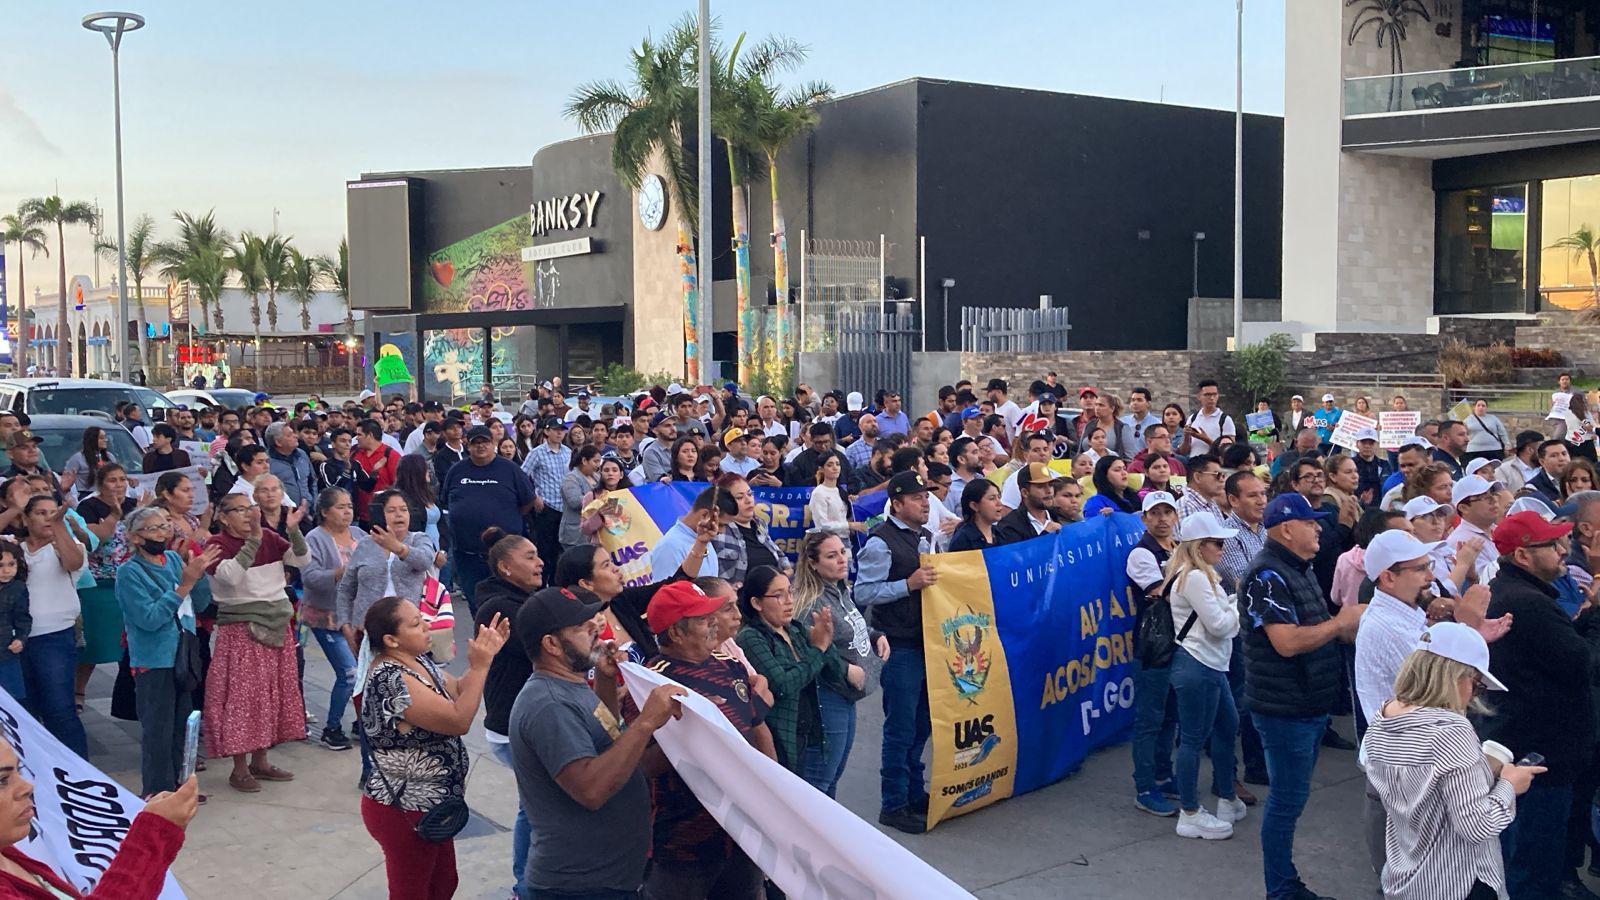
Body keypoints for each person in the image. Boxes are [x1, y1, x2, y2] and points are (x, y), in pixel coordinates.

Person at [508, 584, 687, 900]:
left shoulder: (570, 685)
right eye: (581, 626)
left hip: (606, 879)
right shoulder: (549, 704)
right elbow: (591, 789)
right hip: (579, 887)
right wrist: (646, 722)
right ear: (551, 644)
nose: (596, 627)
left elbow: (605, 741)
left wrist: (604, 681)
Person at [1240, 493, 1365, 900]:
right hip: (1285, 708)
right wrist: (1340, 624)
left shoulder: (1298, 568)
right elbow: (1288, 642)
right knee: (1286, 801)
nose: (1318, 529)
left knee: (1291, 798)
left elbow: (1315, 624)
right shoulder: (1266, 575)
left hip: (1306, 703)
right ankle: (1281, 889)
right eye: (1310, 522)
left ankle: (1285, 885)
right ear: (1287, 529)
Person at [1366, 622, 1539, 900]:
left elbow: (1419, 791)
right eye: (1477, 685)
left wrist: (1476, 770)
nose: (1473, 695)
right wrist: (1509, 785)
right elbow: (1477, 826)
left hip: (1405, 877)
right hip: (1456, 881)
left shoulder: (1382, 719)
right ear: (1454, 675)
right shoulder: (1452, 731)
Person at [1480, 510, 1600, 899]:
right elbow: (1582, 663)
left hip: (1531, 747)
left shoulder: (1515, 592)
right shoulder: (1528, 602)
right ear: (1522, 555)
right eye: (1552, 544)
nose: (1564, 549)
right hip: (1542, 754)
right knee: (1533, 867)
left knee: (1530, 858)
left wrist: (1586, 618)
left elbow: (1557, 647)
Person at [360, 596, 507, 900]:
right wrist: (480, 667)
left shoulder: (418, 661)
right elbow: (457, 720)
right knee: (412, 892)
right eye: (416, 624)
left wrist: (486, 658)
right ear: (391, 640)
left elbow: (459, 690)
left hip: (434, 803)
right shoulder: (391, 678)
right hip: (405, 806)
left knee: (443, 883)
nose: (427, 625)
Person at [0, 735, 199, 899]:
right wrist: (154, 833)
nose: (27, 786)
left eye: (19, 770)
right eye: (2, 780)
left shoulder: (8, 854)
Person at [204, 491, 309, 793]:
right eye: (240, 510)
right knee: (242, 700)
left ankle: (260, 761)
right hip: (242, 629)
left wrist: (293, 530)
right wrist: (252, 541)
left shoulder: (269, 536)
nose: (249, 514)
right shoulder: (217, 544)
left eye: (251, 508)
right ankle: (239, 768)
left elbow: (301, 560)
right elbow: (230, 577)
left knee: (271, 695)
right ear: (224, 518)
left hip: (276, 625)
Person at [856, 471, 940, 834]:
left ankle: (913, 791)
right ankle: (893, 803)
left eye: (927, 497)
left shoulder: (925, 537)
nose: (926, 503)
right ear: (897, 503)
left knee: (921, 724)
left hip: (926, 642)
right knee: (901, 727)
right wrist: (908, 584)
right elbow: (863, 592)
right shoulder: (881, 542)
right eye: (918, 497)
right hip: (899, 644)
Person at [114, 507, 219, 797]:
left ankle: (180, 786)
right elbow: (149, 619)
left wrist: (197, 577)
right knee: (158, 730)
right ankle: (157, 791)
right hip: (154, 660)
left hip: (183, 654)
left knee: (182, 727)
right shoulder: (129, 572)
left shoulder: (172, 559)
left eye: (164, 526)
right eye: (153, 528)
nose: (161, 533)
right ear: (135, 537)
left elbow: (200, 604)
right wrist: (184, 585)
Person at [1164, 511, 1247, 840]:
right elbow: (1220, 626)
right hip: (1198, 664)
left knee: (1226, 725)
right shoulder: (1196, 577)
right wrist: (1237, 606)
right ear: (1199, 546)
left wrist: (1229, 605)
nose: (1222, 548)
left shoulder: (1201, 575)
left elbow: (1218, 619)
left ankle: (1226, 797)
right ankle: (1190, 812)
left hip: (1209, 664)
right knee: (1194, 738)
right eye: (1217, 543)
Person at [470, 528, 543, 899]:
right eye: (529, 556)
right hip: (514, 728)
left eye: (538, 555)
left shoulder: (522, 599)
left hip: (524, 724)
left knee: (535, 806)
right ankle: (525, 887)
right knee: (537, 808)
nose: (540, 562)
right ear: (505, 567)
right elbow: (548, 648)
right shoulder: (501, 608)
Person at [789, 531, 886, 798]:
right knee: (819, 780)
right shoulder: (812, 603)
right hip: (827, 694)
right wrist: (844, 669)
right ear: (813, 563)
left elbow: (850, 624)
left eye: (843, 552)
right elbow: (812, 647)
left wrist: (875, 635)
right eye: (831, 556)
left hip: (846, 695)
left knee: (833, 775)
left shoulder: (840, 590)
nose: (842, 559)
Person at [735, 564, 850, 777]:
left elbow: (834, 672)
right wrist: (818, 649)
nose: (789, 601)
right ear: (757, 603)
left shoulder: (794, 629)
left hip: (810, 732)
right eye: (779, 595)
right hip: (782, 737)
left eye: (790, 592)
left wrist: (827, 638)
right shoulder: (751, 637)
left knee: (828, 783)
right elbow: (783, 685)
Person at [17, 495, 87, 758]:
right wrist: (13, 507)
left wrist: (59, 526)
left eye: (53, 512)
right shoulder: (13, 548)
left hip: (54, 638)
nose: (49, 517)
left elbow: (73, 562)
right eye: (41, 513)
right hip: (16, 640)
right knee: (24, 709)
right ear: (25, 519)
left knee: (59, 709)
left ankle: (78, 770)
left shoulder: (67, 545)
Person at [1126, 491, 1182, 815]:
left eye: (1167, 512)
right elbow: (1162, 592)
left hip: (1178, 642)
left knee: (1170, 715)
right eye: (1155, 513)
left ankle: (1163, 774)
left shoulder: (1178, 548)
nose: (1162, 519)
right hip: (1153, 645)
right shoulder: (1141, 554)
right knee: (1150, 719)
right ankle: (1144, 787)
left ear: (1176, 516)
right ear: (1144, 518)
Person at [300, 488, 364, 753]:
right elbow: (310, 577)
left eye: (349, 506)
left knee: (364, 674)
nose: (347, 512)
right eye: (340, 507)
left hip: (357, 618)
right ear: (325, 512)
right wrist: (340, 572)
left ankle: (361, 722)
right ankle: (332, 728)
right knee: (349, 673)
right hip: (326, 616)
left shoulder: (359, 534)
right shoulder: (314, 538)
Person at [710, 475, 790, 588]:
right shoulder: (717, 530)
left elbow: (779, 555)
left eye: (750, 494)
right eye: (740, 497)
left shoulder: (760, 524)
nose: (748, 500)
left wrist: (787, 570)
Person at [648, 487, 728, 584]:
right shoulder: (669, 546)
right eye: (720, 525)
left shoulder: (705, 539)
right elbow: (664, 591)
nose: (722, 531)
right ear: (704, 515)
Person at [995, 462, 1064, 544]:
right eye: (1041, 486)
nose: (1049, 491)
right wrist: (1045, 535)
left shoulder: (1060, 515)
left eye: (1051, 485)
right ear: (1025, 492)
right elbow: (1018, 552)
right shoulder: (1009, 526)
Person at [949, 479, 1004, 552]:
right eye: (992, 498)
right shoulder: (963, 539)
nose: (999, 503)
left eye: (999, 497)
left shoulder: (999, 534)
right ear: (974, 506)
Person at [59, 426, 114, 499]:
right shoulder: (78, 458)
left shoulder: (110, 457)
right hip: (86, 495)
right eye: (101, 438)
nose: (105, 440)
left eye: (105, 437)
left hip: (108, 494)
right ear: (92, 439)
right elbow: (67, 480)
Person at [1464, 399, 1512, 465]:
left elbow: (1502, 432)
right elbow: (1462, 434)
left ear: (1486, 408)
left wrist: (1507, 445)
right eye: (1478, 405)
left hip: (1494, 450)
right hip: (1473, 451)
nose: (1481, 407)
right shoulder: (1466, 420)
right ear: (1474, 407)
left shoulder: (1493, 418)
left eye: (1483, 406)